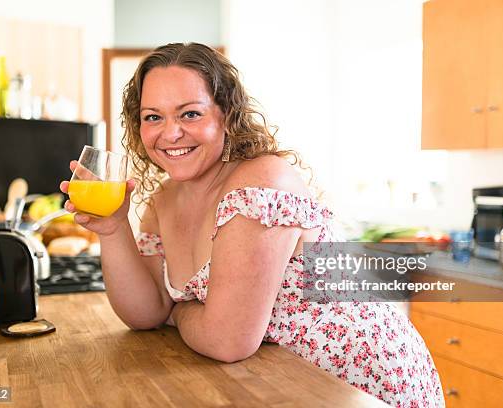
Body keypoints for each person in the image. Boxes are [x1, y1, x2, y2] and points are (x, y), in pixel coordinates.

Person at [60, 43, 443, 407]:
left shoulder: (261, 183)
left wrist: (177, 312)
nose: (170, 133)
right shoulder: (164, 199)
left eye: (190, 113)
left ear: (225, 114)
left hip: (359, 381)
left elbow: (227, 341)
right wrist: (113, 228)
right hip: (280, 380)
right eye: (153, 117)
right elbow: (145, 313)